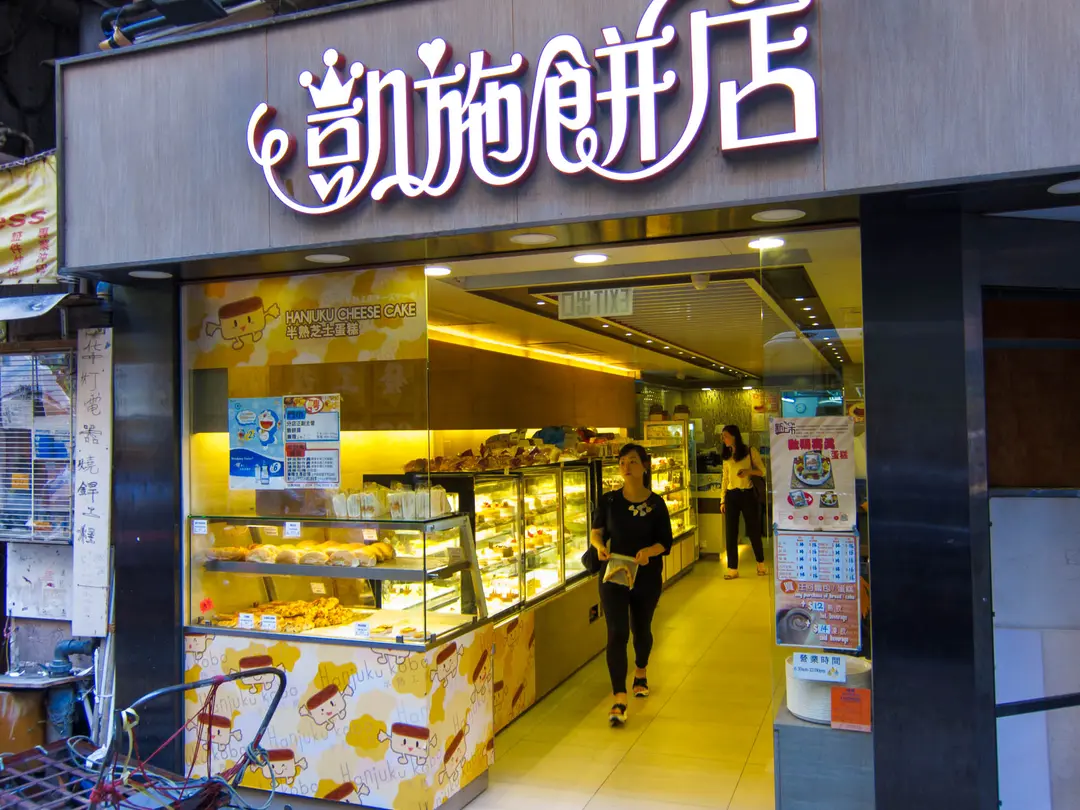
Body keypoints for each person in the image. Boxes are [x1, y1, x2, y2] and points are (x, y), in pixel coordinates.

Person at [589, 443, 673, 727]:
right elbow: (596, 533)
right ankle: (619, 697)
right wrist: (599, 546)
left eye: (633, 461)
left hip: (646, 576)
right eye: (622, 462)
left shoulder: (656, 504)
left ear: (645, 466)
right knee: (617, 632)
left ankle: (640, 671)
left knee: (641, 629)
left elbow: (665, 542)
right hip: (614, 574)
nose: (626, 466)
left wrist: (649, 552)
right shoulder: (609, 501)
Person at [720, 424, 767, 580]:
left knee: (753, 530)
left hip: (747, 494)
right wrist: (722, 500)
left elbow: (762, 471)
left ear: (734, 436)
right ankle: (732, 568)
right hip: (731, 495)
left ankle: (760, 563)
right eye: (723, 436)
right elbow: (725, 478)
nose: (724, 439)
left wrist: (748, 472)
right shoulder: (726, 454)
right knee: (731, 532)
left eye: (726, 436)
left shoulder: (749, 451)